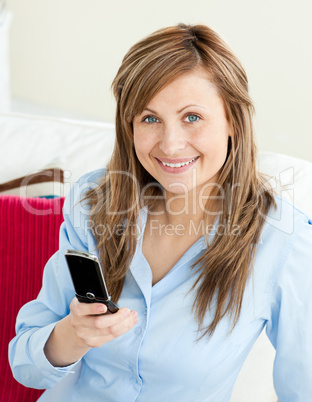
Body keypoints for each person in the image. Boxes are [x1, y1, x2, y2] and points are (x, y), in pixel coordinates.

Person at [9, 23, 312, 402]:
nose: (170, 145)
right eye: (150, 119)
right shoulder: (92, 203)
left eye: (192, 117)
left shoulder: (285, 242)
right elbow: (24, 364)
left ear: (232, 120)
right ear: (129, 126)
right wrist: (73, 335)